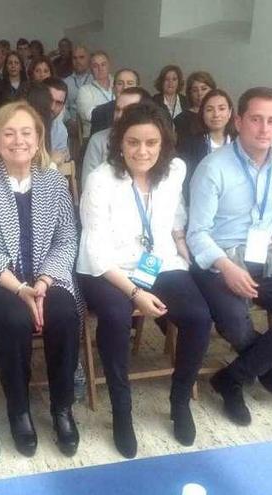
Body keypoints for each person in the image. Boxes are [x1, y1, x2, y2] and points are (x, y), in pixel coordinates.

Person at [78, 101, 211, 458]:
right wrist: (135, 292)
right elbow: (95, 250)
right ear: (119, 142)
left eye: (151, 143)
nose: (142, 151)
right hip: (107, 270)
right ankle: (122, 411)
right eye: (134, 142)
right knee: (116, 317)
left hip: (158, 262)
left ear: (164, 144)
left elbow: (173, 216)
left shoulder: (175, 170)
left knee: (199, 317)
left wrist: (182, 244)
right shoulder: (100, 179)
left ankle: (179, 400)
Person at [0, 101, 81, 458]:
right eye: (8, 133)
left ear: (38, 139)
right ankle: (19, 408)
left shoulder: (53, 182)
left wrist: (43, 282)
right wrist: (21, 288)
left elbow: (67, 239)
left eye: (26, 132)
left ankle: (62, 407)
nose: (18, 140)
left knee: (67, 314)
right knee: (13, 319)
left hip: (44, 277)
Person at [188, 87, 272, 426]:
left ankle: (231, 378)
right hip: (220, 259)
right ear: (238, 121)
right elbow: (197, 233)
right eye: (256, 119)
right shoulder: (212, 168)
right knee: (234, 321)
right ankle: (257, 359)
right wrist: (227, 268)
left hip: (264, 255)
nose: (264, 129)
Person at [82, 87, 151, 188]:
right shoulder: (98, 140)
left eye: (128, 110)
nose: (119, 115)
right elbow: (88, 186)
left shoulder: (154, 142)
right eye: (117, 110)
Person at [177, 89, 236, 201]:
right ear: (202, 113)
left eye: (222, 108)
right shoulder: (188, 145)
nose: (216, 114)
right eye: (209, 110)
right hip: (199, 203)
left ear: (229, 112)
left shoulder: (240, 143)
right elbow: (184, 182)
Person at [89, 68, 139, 136]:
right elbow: (96, 141)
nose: (125, 87)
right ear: (113, 89)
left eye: (130, 83)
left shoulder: (149, 111)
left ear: (138, 89)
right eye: (120, 83)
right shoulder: (100, 112)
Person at [76, 51, 113, 140]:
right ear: (91, 69)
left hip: (119, 135)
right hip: (93, 137)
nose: (100, 68)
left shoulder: (119, 84)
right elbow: (90, 115)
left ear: (109, 66)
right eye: (95, 66)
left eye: (103, 64)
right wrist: (115, 108)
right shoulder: (85, 90)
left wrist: (99, 108)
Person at [173, 71, 216, 147]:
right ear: (190, 94)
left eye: (204, 89)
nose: (200, 93)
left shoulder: (219, 114)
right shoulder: (181, 119)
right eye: (195, 90)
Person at [43, 77, 70, 162]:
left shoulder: (61, 130)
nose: (52, 107)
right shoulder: (23, 123)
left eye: (58, 103)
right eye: (49, 100)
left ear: (63, 107)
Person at [62, 45, 90, 124]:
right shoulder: (66, 82)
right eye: (75, 58)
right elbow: (62, 106)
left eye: (81, 57)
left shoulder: (94, 80)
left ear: (88, 59)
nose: (78, 61)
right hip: (72, 126)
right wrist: (69, 121)